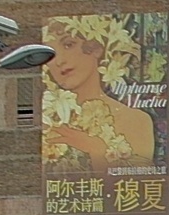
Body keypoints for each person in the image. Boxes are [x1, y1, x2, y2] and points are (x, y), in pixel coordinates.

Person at [41, 15, 157, 172]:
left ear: (96, 48)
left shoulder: (136, 121)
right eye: (49, 53)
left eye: (68, 45)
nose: (59, 61)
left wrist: (97, 151)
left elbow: (141, 183)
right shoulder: (47, 120)